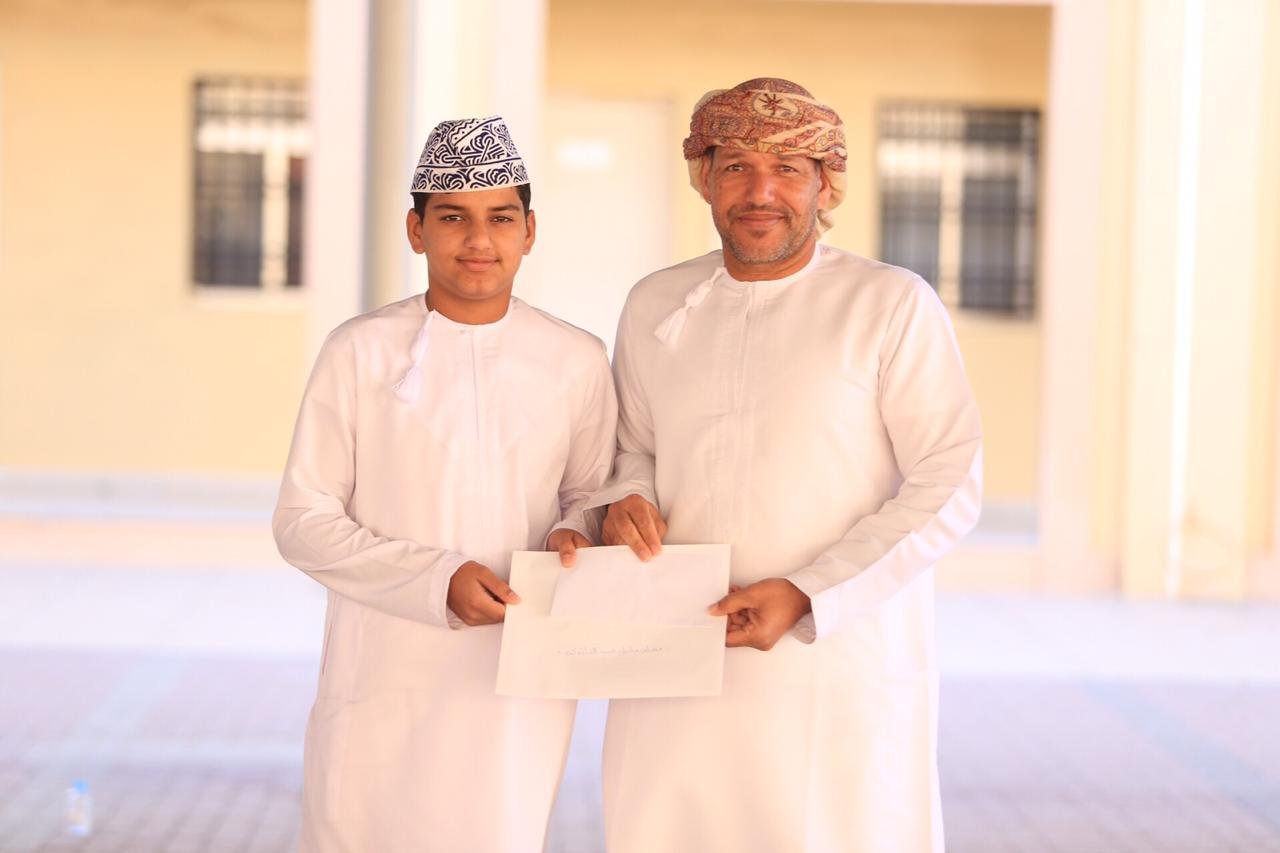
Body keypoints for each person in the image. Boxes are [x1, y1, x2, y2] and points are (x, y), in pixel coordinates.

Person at [567, 78, 983, 851]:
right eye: (736, 167)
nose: (760, 192)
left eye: (787, 168)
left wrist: (808, 593)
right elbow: (634, 449)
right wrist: (625, 500)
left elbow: (949, 481)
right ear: (705, 179)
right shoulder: (656, 302)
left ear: (826, 184)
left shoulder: (890, 303)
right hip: (678, 650)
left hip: (832, 660)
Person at [273, 115, 617, 853]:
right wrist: (436, 580)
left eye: (501, 218)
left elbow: (590, 496)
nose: (479, 240)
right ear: (416, 230)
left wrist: (574, 535)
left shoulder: (578, 359)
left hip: (516, 680)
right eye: (454, 217)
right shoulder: (359, 351)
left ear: (530, 231)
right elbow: (303, 520)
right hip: (384, 669)